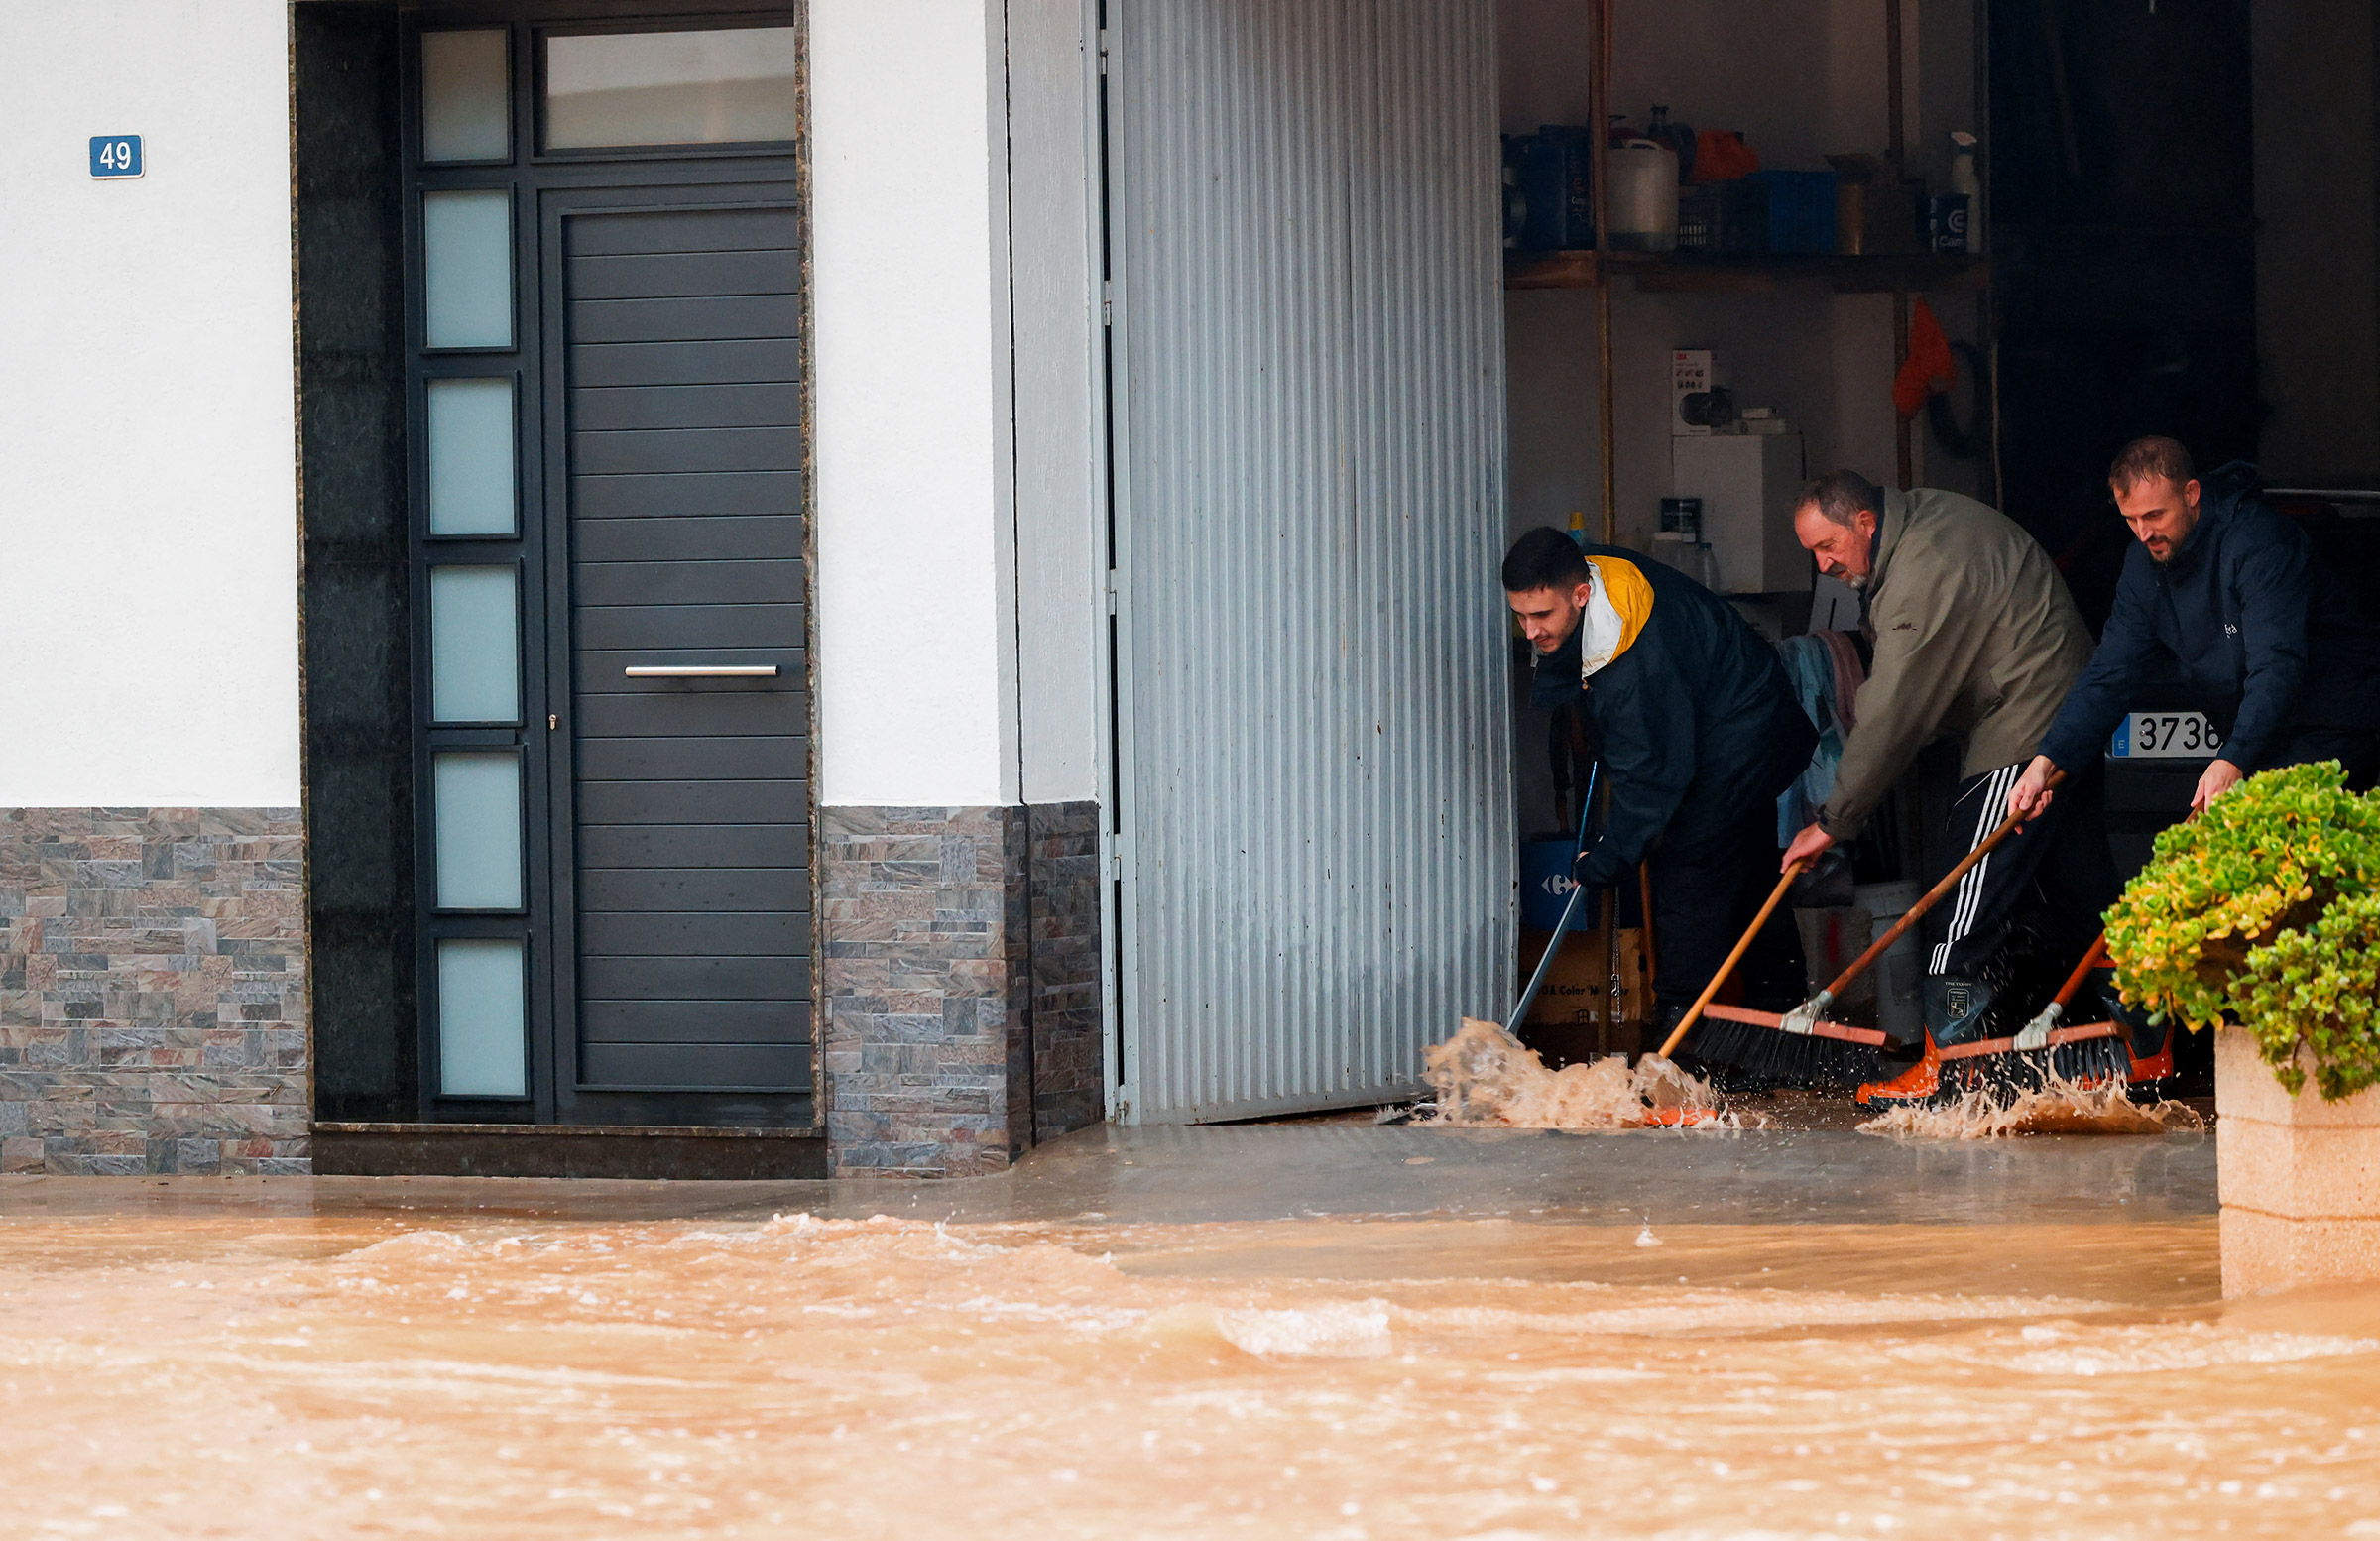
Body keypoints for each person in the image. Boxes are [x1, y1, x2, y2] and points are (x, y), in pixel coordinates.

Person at [1776, 472, 2106, 1067]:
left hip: (2027, 726)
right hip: (2058, 717)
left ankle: (1953, 1070)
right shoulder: (1923, 526)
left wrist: (1832, 821)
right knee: (2080, 900)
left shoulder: (1921, 568)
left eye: (1828, 547)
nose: (1822, 565)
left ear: (1865, 524)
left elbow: (1894, 710)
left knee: (1960, 906)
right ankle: (2133, 1047)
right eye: (1813, 553)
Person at [1503, 527, 1816, 1040]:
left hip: (1743, 735)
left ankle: (1680, 1054)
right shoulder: (1593, 574)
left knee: (1689, 875)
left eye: (1542, 616)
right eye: (1520, 615)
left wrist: (1607, 858)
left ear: (1581, 594)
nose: (1530, 629)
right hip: (1722, 717)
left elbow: (1652, 779)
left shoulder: (1634, 664)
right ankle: (1779, 1032)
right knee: (1750, 879)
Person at [2009, 438, 2380, 824]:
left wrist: (2234, 756)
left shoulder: (2259, 541)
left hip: (2334, 723)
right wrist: (2046, 761)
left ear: (2191, 493)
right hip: (2263, 734)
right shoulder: (2142, 564)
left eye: (2154, 515)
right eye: (2130, 519)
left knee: (2281, 854)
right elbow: (2110, 673)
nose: (2142, 533)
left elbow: (2277, 663)